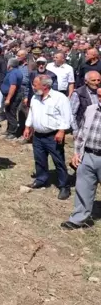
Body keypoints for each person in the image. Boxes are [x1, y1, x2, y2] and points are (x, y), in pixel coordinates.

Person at [23, 75, 72, 200]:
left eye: (35, 84)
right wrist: (28, 127)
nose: (33, 87)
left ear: (44, 86)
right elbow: (32, 113)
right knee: (39, 159)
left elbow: (67, 116)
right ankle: (41, 179)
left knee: (58, 161)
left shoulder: (59, 98)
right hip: (38, 136)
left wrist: (61, 131)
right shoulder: (35, 97)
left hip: (53, 136)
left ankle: (64, 186)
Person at [61, 87, 101, 230]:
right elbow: (81, 134)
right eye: (99, 95)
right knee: (83, 188)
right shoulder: (91, 109)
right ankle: (78, 219)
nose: (100, 98)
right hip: (88, 155)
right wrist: (77, 153)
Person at [71, 71, 101, 136]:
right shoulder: (78, 93)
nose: (97, 82)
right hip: (84, 129)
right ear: (86, 81)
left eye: (98, 80)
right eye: (93, 80)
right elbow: (72, 114)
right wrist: (76, 130)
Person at [0, 58, 24, 139]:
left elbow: (13, 86)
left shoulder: (13, 73)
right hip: (13, 95)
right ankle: (9, 129)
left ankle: (13, 132)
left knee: (11, 113)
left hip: (13, 96)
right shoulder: (16, 71)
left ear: (9, 65)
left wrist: (8, 99)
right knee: (8, 112)